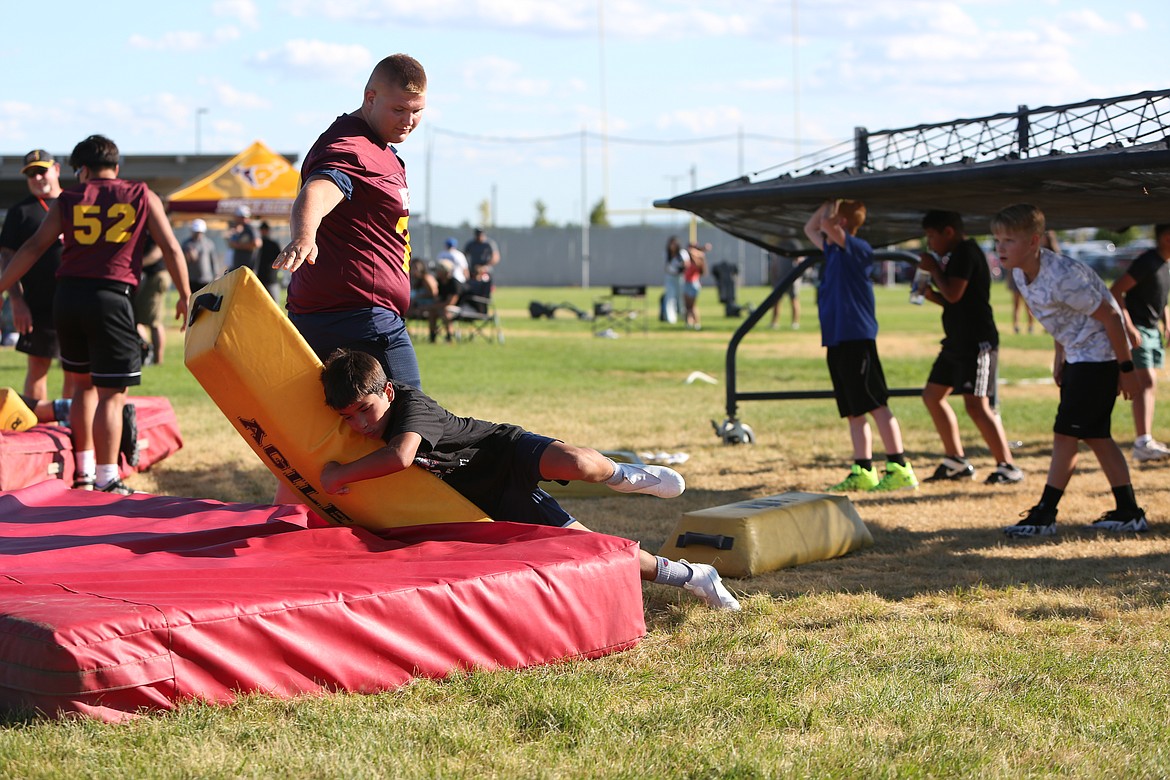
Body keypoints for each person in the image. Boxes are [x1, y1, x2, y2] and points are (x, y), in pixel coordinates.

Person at [318, 348, 740, 610]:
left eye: (363, 410)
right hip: (491, 500)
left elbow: (402, 455)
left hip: (502, 451)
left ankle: (623, 475)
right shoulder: (371, 418)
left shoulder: (411, 405)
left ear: (387, 392)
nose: (358, 424)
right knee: (592, 548)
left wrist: (341, 474)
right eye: (346, 418)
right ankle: (692, 576)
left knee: (577, 464)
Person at [0, 134, 191, 494]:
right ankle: (107, 476)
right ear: (117, 167)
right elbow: (170, 248)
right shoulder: (142, 195)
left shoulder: (68, 198)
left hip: (67, 298)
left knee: (82, 388)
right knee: (111, 394)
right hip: (110, 297)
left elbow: (31, 248)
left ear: (81, 171)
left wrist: (1, 289)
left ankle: (84, 474)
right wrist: (185, 294)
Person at [272, 53, 427, 391]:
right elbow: (319, 190)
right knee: (412, 424)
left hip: (345, 312)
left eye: (417, 111)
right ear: (370, 98)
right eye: (399, 110)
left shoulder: (378, 147)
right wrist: (304, 235)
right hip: (359, 318)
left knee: (347, 435)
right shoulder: (352, 147)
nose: (409, 121)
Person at [994, 204, 1148, 537]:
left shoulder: (1062, 277)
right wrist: (1059, 355)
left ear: (1034, 241)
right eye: (997, 240)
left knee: (1066, 433)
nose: (1000, 248)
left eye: (1009, 240)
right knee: (1096, 436)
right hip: (1079, 355)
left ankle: (1045, 515)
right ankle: (1129, 512)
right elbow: (1063, 320)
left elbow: (1110, 315)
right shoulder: (1021, 273)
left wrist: (1126, 368)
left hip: (1099, 356)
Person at [803, 199, 918, 492]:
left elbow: (825, 225)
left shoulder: (858, 248)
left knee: (876, 404)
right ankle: (863, 468)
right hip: (837, 339)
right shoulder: (833, 251)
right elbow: (811, 227)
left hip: (857, 339)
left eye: (835, 218)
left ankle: (899, 466)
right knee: (854, 409)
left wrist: (832, 205)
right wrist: (829, 203)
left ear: (842, 223)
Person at [916, 210, 1022, 485]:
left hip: (977, 342)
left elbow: (953, 293)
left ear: (948, 232)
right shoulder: (956, 254)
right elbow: (955, 300)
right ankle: (955, 461)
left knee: (977, 405)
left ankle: (1008, 466)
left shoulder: (965, 252)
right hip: (956, 341)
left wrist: (934, 268)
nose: (930, 244)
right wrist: (931, 295)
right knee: (932, 395)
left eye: (931, 236)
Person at [0, 150, 73, 402]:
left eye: (42, 170)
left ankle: (72, 425)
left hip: (77, 299)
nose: (37, 177)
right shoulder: (21, 212)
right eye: (31, 173)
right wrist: (17, 301)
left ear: (56, 170)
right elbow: (7, 258)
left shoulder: (76, 202)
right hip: (39, 302)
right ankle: (37, 426)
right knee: (38, 366)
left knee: (76, 370)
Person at [1110, 223, 1170, 463]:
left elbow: (1161, 299)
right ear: (1166, 237)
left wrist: (1167, 323)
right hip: (1139, 330)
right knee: (1146, 381)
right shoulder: (1147, 261)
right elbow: (1116, 291)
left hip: (1152, 330)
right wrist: (1129, 326)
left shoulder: (1164, 263)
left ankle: (1144, 439)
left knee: (1148, 384)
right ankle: (1142, 442)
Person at [133, 236, 169, 365]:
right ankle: (146, 352)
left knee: (154, 321)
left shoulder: (154, 227)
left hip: (155, 276)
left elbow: (157, 252)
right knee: (137, 318)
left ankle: (157, 360)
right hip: (148, 276)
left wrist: (137, 263)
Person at [427, 259, 462, 343]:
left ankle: (449, 336)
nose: (437, 272)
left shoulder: (454, 283)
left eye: (439, 270)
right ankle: (432, 336)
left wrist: (435, 306)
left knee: (446, 312)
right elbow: (437, 297)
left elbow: (451, 302)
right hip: (443, 306)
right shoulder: (439, 282)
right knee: (432, 312)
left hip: (460, 307)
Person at [768, 249, 802, 330]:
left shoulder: (793, 244)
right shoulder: (778, 245)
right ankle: (774, 322)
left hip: (792, 277)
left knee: (794, 299)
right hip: (780, 278)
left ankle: (795, 323)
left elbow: (799, 258)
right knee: (777, 300)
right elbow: (775, 263)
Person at [182, 218, 221, 290]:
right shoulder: (186, 244)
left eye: (199, 232)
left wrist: (216, 275)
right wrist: (188, 257)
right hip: (191, 279)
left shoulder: (209, 243)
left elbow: (213, 261)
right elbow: (181, 262)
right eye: (196, 232)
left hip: (206, 279)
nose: (198, 234)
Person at [682, 241, 708, 330]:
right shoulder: (686, 259)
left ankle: (697, 324)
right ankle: (688, 323)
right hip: (686, 283)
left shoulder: (698, 260)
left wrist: (697, 252)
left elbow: (699, 256)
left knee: (692, 306)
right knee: (687, 306)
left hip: (693, 284)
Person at [226, 205, 259, 272]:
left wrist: (237, 246)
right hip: (240, 269)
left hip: (247, 269)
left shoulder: (250, 229)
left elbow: (257, 243)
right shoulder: (241, 229)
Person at [662, 236, 687, 324]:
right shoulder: (666, 254)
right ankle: (671, 318)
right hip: (670, 277)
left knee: (681, 298)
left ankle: (684, 316)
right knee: (670, 297)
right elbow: (666, 267)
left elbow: (687, 264)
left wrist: (680, 270)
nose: (672, 246)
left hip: (680, 277)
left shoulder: (682, 253)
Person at [256, 221, 283, 301]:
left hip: (271, 277)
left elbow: (279, 258)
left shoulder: (272, 244)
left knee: (274, 302)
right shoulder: (257, 244)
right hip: (259, 277)